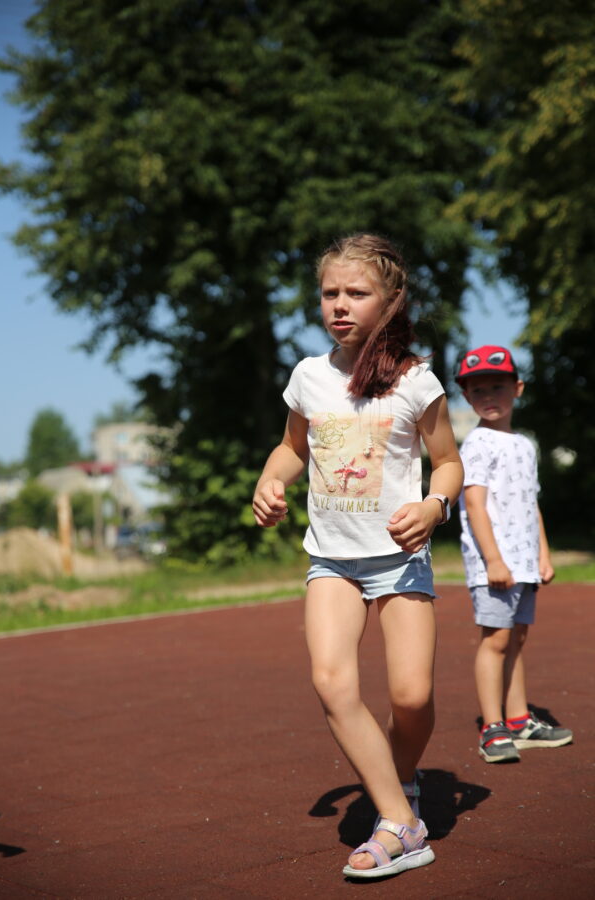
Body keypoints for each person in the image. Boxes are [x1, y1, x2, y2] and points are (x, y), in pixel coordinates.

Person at [252, 233, 463, 881]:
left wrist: (434, 506)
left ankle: (402, 778)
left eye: (356, 293)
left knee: (412, 697)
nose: (339, 305)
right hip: (332, 561)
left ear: (391, 299)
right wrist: (271, 479)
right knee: (332, 682)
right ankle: (400, 822)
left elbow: (448, 462)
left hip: (399, 560)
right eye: (329, 293)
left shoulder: (416, 381)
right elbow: (292, 447)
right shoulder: (309, 377)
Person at [455, 345, 573, 763]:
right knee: (496, 640)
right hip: (496, 563)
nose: (488, 396)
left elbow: (530, 503)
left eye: (498, 387)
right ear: (466, 396)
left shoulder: (524, 444)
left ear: (517, 388)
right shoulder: (477, 443)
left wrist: (543, 554)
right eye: (478, 389)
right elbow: (474, 504)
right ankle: (492, 727)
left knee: (517, 640)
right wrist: (494, 560)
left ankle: (520, 720)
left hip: (523, 562)